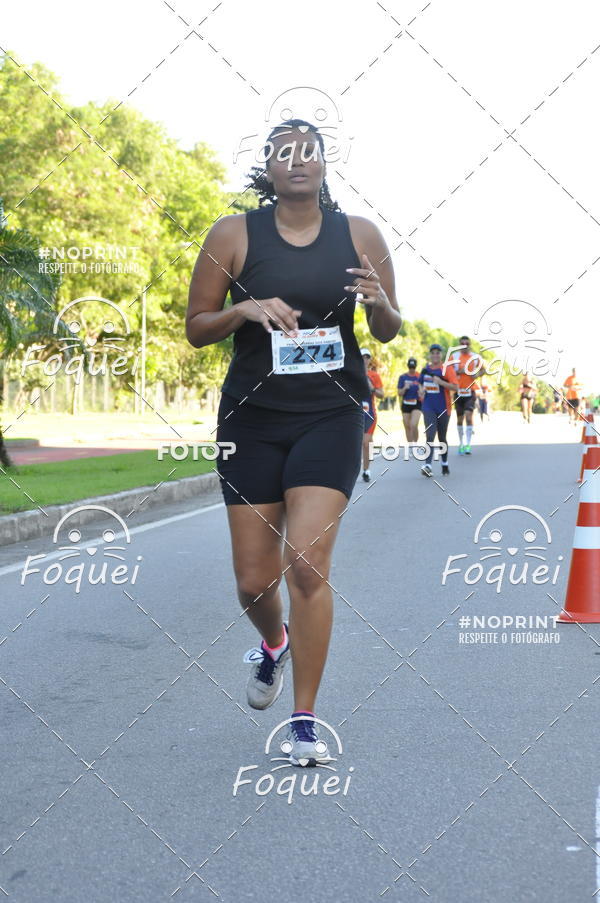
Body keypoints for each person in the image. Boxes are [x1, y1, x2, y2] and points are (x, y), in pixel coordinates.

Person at [186, 119, 401, 765]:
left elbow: (389, 328)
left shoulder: (359, 234)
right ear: (270, 166)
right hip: (251, 419)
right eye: (284, 152)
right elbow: (197, 327)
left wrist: (377, 301)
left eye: (309, 151)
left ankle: (304, 721)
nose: (298, 161)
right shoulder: (233, 234)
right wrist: (242, 311)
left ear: (325, 164)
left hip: (330, 414)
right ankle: (272, 642)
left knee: (307, 566)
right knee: (254, 580)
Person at [418, 343, 458, 477]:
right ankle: (427, 465)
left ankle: (444, 463)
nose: (435, 355)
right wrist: (421, 390)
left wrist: (441, 383)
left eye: (438, 352)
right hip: (428, 406)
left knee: (442, 437)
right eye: (433, 352)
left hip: (443, 407)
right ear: (430, 354)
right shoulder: (425, 370)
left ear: (441, 355)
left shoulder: (446, 369)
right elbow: (420, 384)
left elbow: (455, 387)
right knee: (430, 434)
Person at [448, 335, 483, 455]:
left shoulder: (475, 357)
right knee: (459, 419)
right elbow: (447, 371)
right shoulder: (454, 356)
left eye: (466, 344)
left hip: (470, 391)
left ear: (470, 345)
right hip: (458, 391)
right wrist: (457, 371)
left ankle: (468, 445)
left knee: (469, 417)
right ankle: (461, 443)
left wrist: (477, 374)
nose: (464, 346)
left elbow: (484, 370)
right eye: (462, 343)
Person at [361, 349, 384, 482]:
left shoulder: (374, 375)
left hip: (369, 413)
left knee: (366, 443)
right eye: (362, 357)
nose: (364, 359)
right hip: (353, 413)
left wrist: (372, 388)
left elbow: (382, 394)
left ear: (370, 360)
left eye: (367, 357)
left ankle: (366, 470)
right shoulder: (351, 374)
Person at [397, 357, 421, 444]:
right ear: (408, 366)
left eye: (413, 367)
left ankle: (416, 443)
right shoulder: (403, 377)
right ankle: (410, 445)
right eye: (410, 367)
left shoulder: (419, 376)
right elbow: (399, 393)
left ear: (416, 367)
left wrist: (421, 391)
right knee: (407, 426)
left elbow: (423, 390)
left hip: (417, 403)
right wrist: (404, 388)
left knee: (413, 424)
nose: (412, 369)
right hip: (406, 403)